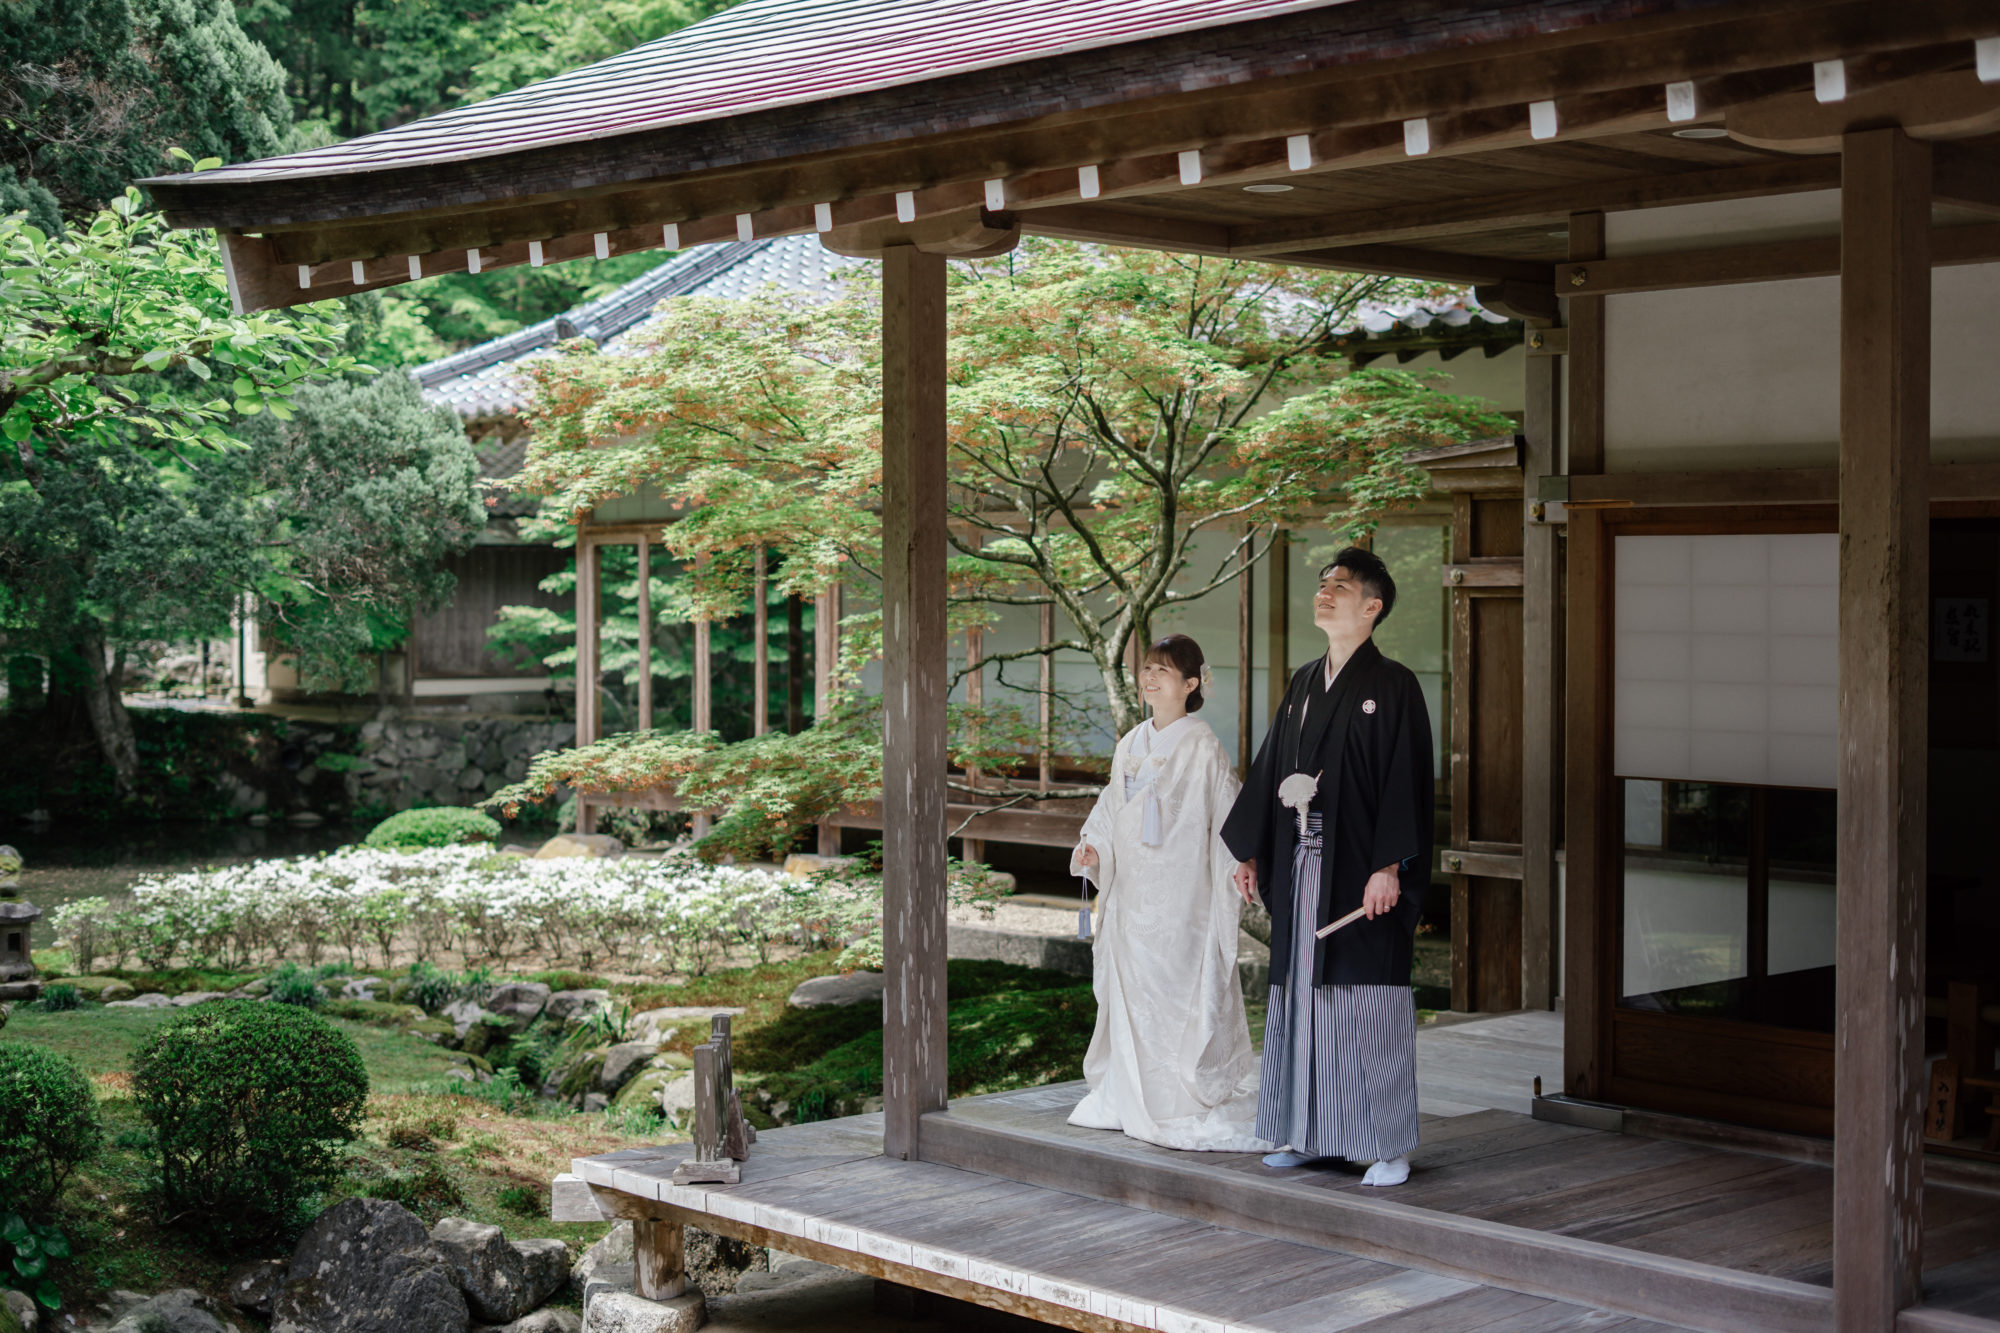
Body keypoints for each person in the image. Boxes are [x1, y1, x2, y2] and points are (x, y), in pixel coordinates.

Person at [1221, 547, 1433, 1186]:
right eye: (1322, 583)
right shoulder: (1304, 682)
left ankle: (1387, 1145)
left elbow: (1405, 782)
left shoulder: (1394, 685)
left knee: (1365, 1002)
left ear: (1372, 607)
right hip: (1300, 864)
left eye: (1340, 586)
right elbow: (1271, 767)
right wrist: (1251, 848)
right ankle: (1306, 1133)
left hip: (1360, 871)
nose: (1325, 592)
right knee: (1301, 999)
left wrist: (1389, 865)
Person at [1067, 633, 1269, 1152]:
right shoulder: (1129, 743)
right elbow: (1110, 810)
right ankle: (1128, 1094)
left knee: (1173, 990)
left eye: (1163, 670)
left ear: (1191, 684)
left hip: (1182, 893)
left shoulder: (1202, 745)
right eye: (1147, 669)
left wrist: (1240, 861)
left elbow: (1226, 813)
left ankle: (1174, 1097)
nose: (1150, 678)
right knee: (1133, 992)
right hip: (1132, 891)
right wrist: (1094, 847)